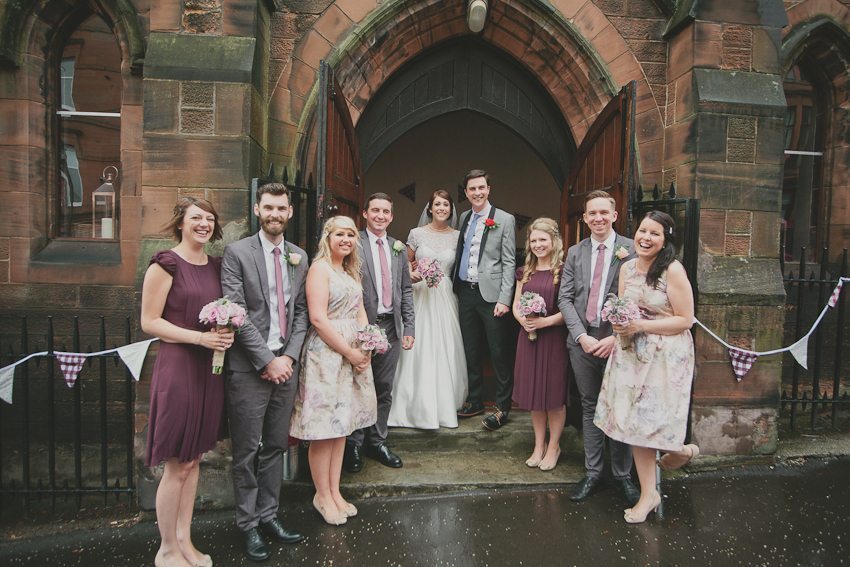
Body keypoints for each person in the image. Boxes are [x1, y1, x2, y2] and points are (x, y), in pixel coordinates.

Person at [141, 196, 232, 567]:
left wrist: (224, 332)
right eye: (196, 217)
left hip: (209, 369)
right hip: (179, 367)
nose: (204, 224)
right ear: (180, 222)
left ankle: (184, 539)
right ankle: (166, 549)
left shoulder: (216, 266)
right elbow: (149, 321)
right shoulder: (165, 264)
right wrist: (199, 338)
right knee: (177, 464)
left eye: (209, 218)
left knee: (194, 461)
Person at [221, 183, 308, 561]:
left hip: (285, 367)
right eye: (268, 208)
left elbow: (301, 312)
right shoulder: (237, 253)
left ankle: (269, 514)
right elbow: (236, 312)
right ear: (257, 210)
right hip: (249, 369)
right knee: (245, 451)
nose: (275, 214)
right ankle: (248, 524)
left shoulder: (299, 256)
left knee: (275, 446)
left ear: (290, 212)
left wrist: (288, 358)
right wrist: (266, 361)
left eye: (281, 208)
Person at [593, 210, 698, 524]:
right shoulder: (627, 268)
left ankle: (679, 453)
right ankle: (650, 493)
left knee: (652, 420)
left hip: (666, 356)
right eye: (642, 231)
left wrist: (641, 325)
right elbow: (625, 308)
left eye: (654, 233)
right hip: (631, 354)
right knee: (634, 424)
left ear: (665, 240)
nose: (646, 238)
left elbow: (685, 320)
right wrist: (619, 327)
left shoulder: (672, 270)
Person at [290, 216, 377, 525]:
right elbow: (317, 318)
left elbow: (361, 312)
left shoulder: (350, 271)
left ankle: (335, 491)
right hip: (327, 355)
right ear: (327, 237)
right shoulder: (320, 269)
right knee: (324, 429)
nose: (346, 240)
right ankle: (322, 496)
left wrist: (367, 344)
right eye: (340, 234)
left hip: (353, 353)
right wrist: (350, 352)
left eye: (351, 235)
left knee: (341, 427)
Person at [557, 189, 639, 506]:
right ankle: (592, 473)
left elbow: (638, 297)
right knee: (590, 406)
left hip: (617, 342)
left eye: (604, 212)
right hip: (583, 343)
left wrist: (615, 338)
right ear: (585, 218)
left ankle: (622, 475)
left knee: (618, 407)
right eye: (592, 213)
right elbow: (565, 298)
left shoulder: (631, 249)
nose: (598, 218)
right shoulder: (575, 252)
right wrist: (581, 336)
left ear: (614, 215)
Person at [343, 193, 415, 472]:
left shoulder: (398, 248)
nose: (380, 216)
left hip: (391, 327)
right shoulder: (353, 243)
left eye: (385, 212)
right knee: (358, 385)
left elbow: (405, 289)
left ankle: (378, 441)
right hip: (360, 327)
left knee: (384, 387)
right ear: (365, 214)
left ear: (392, 216)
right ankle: (354, 444)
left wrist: (409, 326)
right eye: (375, 210)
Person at [389, 190, 467, 429]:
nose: (442, 208)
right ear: (430, 208)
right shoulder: (416, 233)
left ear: (451, 210)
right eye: (437, 204)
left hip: (445, 296)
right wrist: (412, 273)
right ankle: (412, 403)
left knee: (445, 345)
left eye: (446, 204)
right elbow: (404, 263)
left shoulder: (458, 236)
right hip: (420, 293)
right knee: (417, 344)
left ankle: (445, 402)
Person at [453, 169, 517, 430]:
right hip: (466, 292)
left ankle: (502, 407)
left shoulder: (504, 219)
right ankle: (475, 399)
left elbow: (509, 261)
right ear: (466, 192)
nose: (477, 192)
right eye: (472, 189)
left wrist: (505, 299)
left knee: (498, 351)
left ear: (488, 189)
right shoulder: (464, 217)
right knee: (471, 349)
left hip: (492, 296)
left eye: (481, 187)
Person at [511, 218, 568, 471]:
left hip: (554, 339)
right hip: (529, 339)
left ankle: (554, 446)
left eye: (543, 239)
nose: (538, 245)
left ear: (554, 241)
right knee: (534, 395)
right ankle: (538, 445)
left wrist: (545, 322)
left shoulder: (563, 272)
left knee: (553, 396)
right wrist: (523, 320)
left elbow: (571, 310)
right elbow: (516, 304)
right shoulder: (525, 271)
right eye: (533, 240)